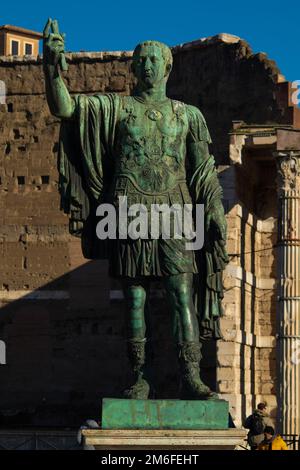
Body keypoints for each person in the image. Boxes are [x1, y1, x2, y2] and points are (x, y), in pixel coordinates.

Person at [43, 19, 228, 400]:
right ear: (133, 69)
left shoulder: (188, 115)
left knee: (181, 292)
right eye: (139, 60)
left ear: (167, 66)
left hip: (176, 210)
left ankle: (190, 377)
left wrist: (213, 206)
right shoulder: (116, 109)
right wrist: (51, 66)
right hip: (129, 209)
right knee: (135, 297)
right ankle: (139, 377)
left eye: (152, 60)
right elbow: (65, 109)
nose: (145, 66)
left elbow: (202, 168)